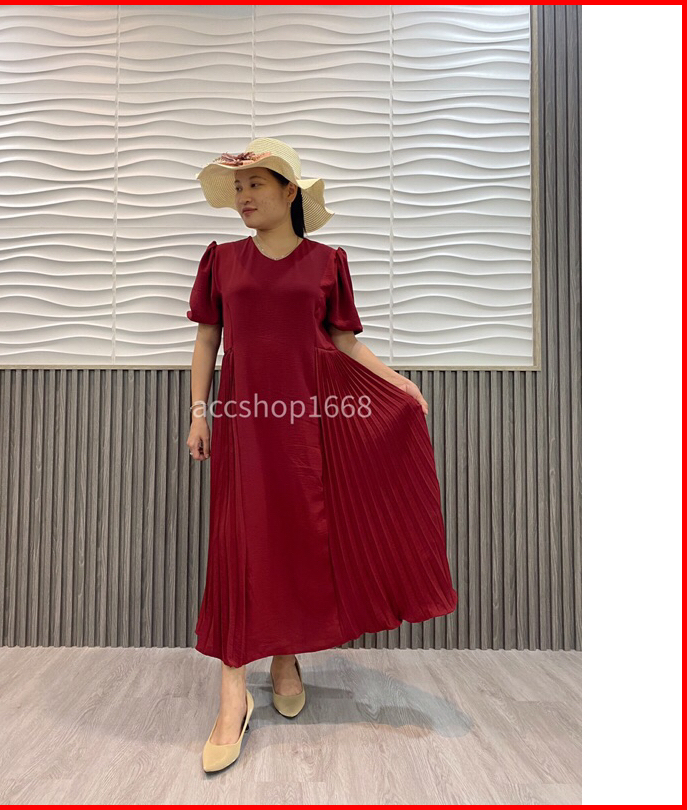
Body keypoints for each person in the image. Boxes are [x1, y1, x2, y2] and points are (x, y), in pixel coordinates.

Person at [186, 138, 458, 773]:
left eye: (256, 184)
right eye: (239, 187)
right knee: (239, 545)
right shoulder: (222, 260)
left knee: (297, 540)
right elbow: (207, 341)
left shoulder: (326, 263)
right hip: (246, 428)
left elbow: (343, 341)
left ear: (290, 193)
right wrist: (199, 412)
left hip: (309, 427)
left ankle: (286, 659)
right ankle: (232, 694)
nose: (244, 196)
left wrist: (398, 384)